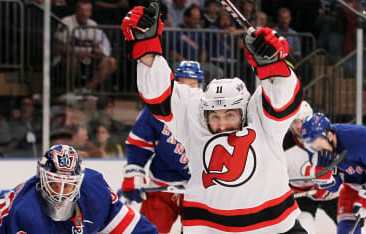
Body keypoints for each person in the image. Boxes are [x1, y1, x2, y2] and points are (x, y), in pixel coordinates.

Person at [121, 2, 305, 233]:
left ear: (244, 110)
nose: (221, 124)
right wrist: (145, 45)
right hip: (209, 227)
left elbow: (283, 97)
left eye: (229, 115)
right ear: (205, 111)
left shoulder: (261, 116)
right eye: (214, 116)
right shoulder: (194, 115)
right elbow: (159, 94)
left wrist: (274, 65)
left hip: (276, 226)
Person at [0, 144, 158, 233]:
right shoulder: (26, 213)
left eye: (68, 184)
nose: (60, 191)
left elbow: (140, 230)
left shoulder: (94, 191)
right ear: (41, 178)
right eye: (54, 182)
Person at [121, 61, 203, 233]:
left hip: (197, 192)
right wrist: (133, 173)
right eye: (182, 83)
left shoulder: (208, 112)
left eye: (193, 85)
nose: (187, 90)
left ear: (200, 86)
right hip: (161, 187)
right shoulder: (157, 108)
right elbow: (140, 142)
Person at [301, 113, 366, 234]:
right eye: (310, 146)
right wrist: (326, 181)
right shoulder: (315, 153)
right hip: (352, 186)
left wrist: (364, 200)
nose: (316, 150)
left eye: (318, 144)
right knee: (346, 230)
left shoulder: (359, 138)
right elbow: (335, 186)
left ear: (329, 135)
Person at [283, 101, 338, 233]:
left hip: (330, 194)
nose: (299, 126)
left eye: (302, 120)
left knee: (351, 225)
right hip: (301, 197)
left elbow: (343, 168)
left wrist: (330, 185)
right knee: (305, 229)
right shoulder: (282, 146)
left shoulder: (327, 138)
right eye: (295, 121)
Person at [55, 0, 117, 93]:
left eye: (87, 11)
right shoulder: (66, 22)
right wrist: (76, 53)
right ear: (76, 11)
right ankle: (70, 90)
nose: (84, 14)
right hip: (70, 58)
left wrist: (97, 52)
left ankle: (86, 89)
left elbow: (97, 46)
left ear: (91, 12)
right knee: (72, 60)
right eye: (82, 10)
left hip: (89, 59)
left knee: (111, 62)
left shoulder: (93, 24)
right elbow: (58, 47)